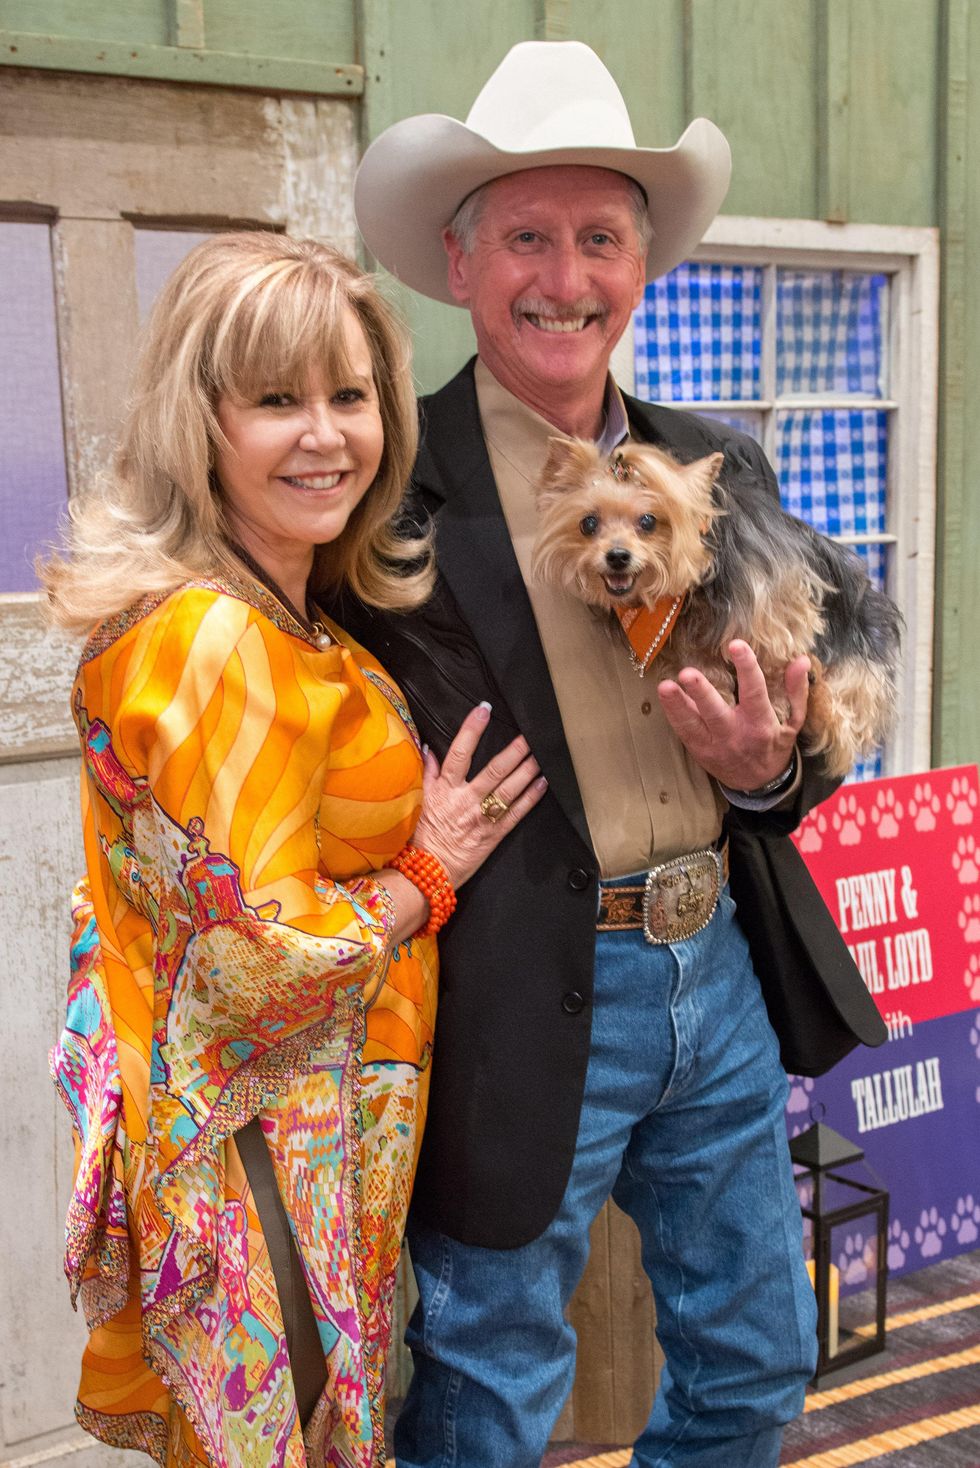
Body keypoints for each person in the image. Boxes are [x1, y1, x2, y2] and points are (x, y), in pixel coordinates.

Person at [337, 40, 889, 1468]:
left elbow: (802, 739)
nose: (565, 277)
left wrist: (767, 769)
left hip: (717, 968)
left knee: (756, 1367)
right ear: (458, 263)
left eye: (599, 238)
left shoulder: (723, 468)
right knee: (486, 1393)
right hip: (512, 986)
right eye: (526, 237)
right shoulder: (384, 488)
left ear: (640, 265)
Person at [43, 232, 545, 1468]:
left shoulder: (283, 606)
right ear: (199, 424)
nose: (325, 435)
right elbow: (255, 958)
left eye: (348, 395)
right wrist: (426, 875)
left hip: (303, 1138)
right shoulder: (214, 636)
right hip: (261, 1156)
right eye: (276, 400)